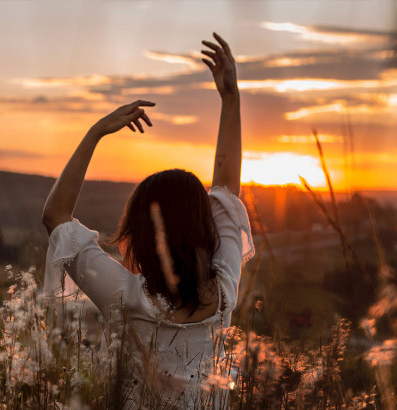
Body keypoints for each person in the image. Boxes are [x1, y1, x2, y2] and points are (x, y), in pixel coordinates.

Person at [41, 33, 253, 408]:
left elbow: (56, 217)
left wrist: (95, 133)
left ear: (142, 233)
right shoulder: (225, 290)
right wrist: (231, 97)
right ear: (203, 229)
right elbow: (225, 186)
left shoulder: (126, 296)